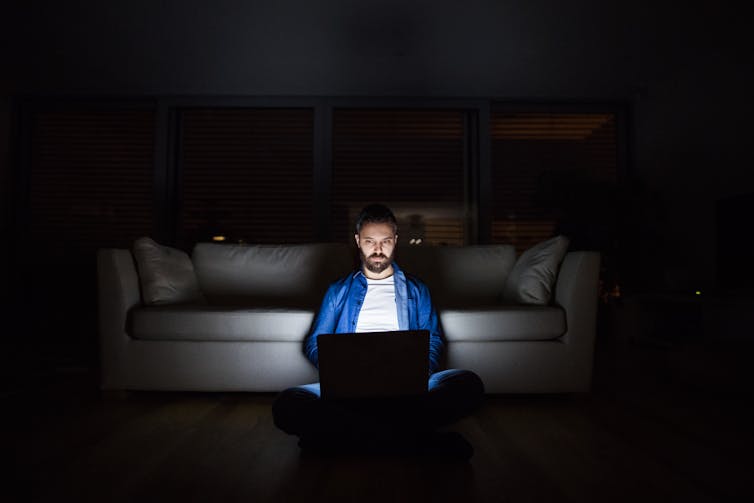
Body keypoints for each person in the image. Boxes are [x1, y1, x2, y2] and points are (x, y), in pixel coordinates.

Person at [272, 204, 484, 458]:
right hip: (348, 390)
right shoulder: (337, 291)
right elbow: (314, 342)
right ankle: (415, 442)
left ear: (395, 241)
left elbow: (433, 339)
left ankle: (343, 441)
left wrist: (418, 374)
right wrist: (340, 372)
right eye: (370, 241)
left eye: (385, 241)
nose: (378, 249)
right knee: (288, 403)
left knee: (467, 383)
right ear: (357, 241)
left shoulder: (417, 290)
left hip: (405, 392)